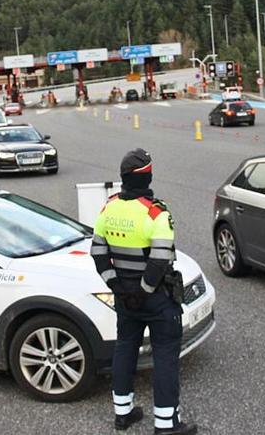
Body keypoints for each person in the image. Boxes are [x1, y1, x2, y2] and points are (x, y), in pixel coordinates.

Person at [91, 149, 197, 435]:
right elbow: (160, 259)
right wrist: (144, 290)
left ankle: (123, 413)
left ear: (123, 178)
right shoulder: (156, 212)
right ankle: (166, 424)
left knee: (125, 348)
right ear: (148, 176)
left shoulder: (108, 208)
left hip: (124, 298)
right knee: (164, 355)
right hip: (156, 299)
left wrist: (117, 287)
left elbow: (98, 252)